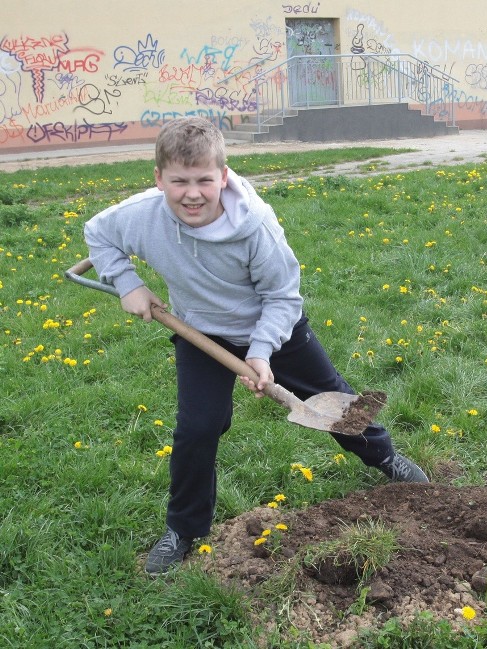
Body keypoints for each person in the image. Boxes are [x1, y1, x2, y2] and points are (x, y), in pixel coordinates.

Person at [83, 117, 429, 575]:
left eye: (204, 180)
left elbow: (283, 297)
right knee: (197, 428)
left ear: (223, 177)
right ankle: (184, 529)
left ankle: (385, 457)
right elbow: (98, 234)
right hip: (201, 334)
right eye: (178, 181)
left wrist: (262, 351)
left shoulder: (256, 226)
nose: (192, 193)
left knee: (333, 399)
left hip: (274, 329)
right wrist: (127, 283)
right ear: (159, 178)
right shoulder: (140, 216)